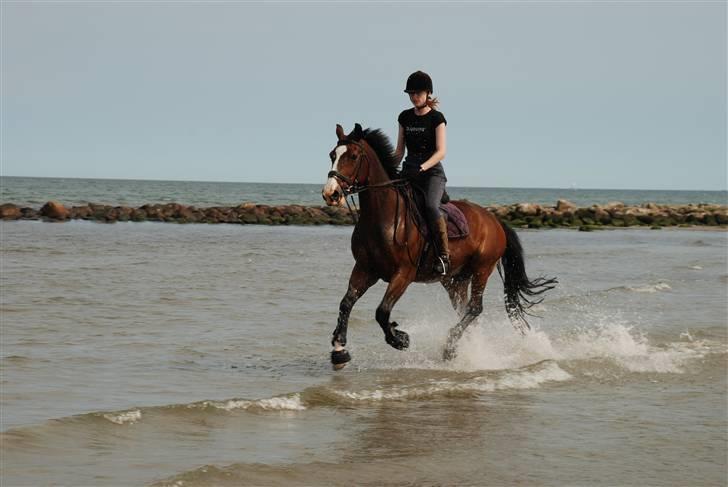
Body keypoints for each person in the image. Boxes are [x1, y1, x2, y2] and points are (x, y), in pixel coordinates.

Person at [395, 70, 449, 275]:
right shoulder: (404, 117)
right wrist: (390, 168)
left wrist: (423, 167)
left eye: (418, 93)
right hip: (409, 170)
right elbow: (399, 151)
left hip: (432, 173)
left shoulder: (437, 118)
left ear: (428, 93)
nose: (414, 97)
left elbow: (441, 151)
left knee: (431, 207)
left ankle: (444, 256)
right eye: (411, 93)